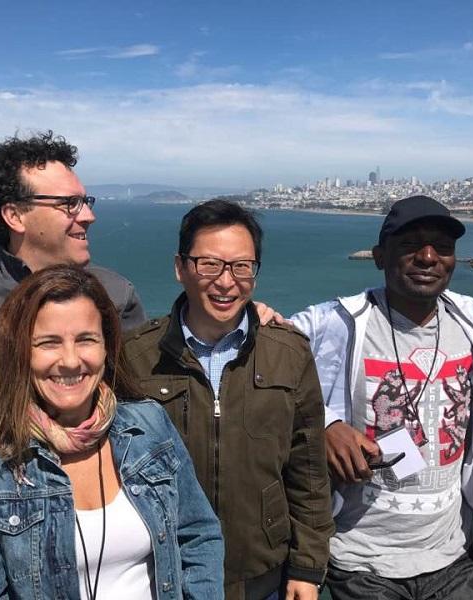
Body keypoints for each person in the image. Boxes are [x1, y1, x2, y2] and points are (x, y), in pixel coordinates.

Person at [0, 265, 222, 599]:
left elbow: (198, 534)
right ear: (18, 351)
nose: (70, 361)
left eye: (86, 340)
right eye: (48, 343)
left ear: (107, 346)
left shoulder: (149, 425)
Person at [290, 195, 473, 600]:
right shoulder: (334, 323)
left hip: (453, 553)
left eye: (443, 247)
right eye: (410, 245)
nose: (428, 256)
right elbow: (257, 360)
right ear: (378, 256)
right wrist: (325, 424)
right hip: (361, 560)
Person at [123, 199, 334, 600]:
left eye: (241, 266)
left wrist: (308, 568)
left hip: (263, 578)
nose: (226, 281)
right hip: (165, 576)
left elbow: (308, 471)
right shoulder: (136, 357)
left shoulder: (288, 353)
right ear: (180, 267)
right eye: (209, 264)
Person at [0, 130, 145, 331]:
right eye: (70, 203)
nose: (89, 216)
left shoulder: (116, 294)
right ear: (15, 216)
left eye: (85, 202)